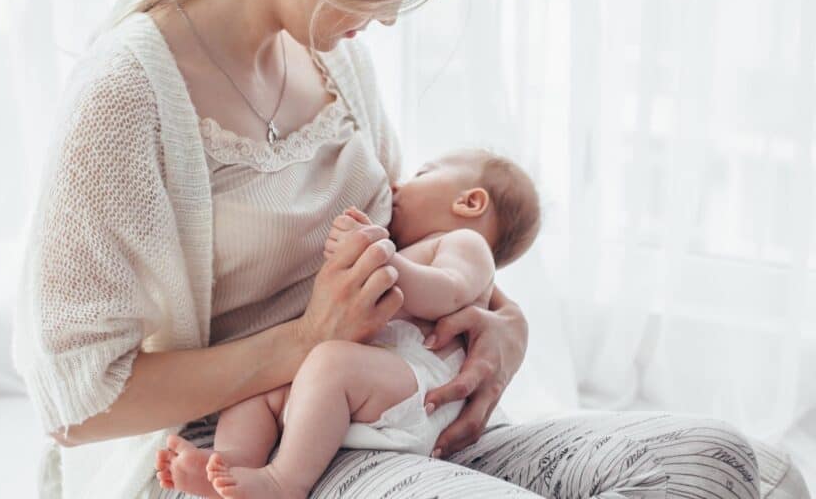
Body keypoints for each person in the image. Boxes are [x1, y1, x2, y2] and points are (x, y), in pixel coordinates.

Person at [12, 0, 812, 497]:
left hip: (393, 413)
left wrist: (504, 326)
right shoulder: (126, 100)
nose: (390, 15)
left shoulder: (338, 61)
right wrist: (306, 344)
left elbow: (418, 245)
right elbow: (76, 405)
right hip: (236, 457)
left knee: (720, 460)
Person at [155, 149, 541, 498]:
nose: (396, 185)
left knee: (331, 363)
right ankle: (230, 463)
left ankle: (283, 482)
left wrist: (381, 258)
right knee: (257, 392)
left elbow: (449, 293)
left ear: (470, 201)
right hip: (372, 385)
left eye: (421, 173)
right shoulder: (418, 249)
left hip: (422, 386)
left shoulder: (466, 245)